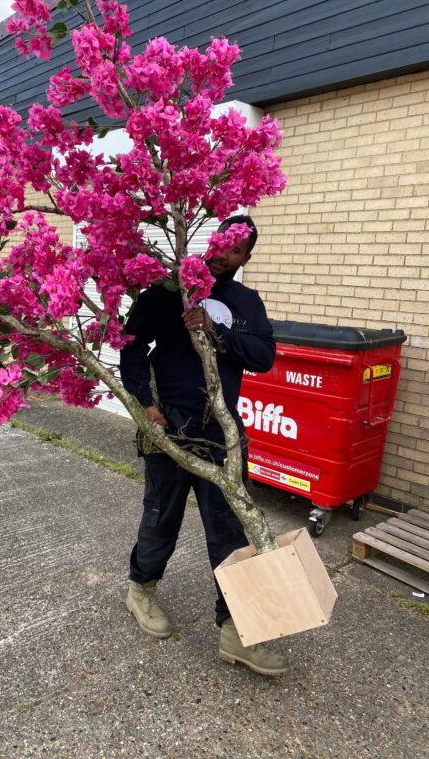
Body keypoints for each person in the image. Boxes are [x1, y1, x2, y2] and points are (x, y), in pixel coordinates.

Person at [119, 216, 289, 676]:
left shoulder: (246, 301)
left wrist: (217, 332)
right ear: (209, 239)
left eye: (237, 250)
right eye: (222, 242)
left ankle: (236, 630)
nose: (224, 253)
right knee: (162, 514)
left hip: (221, 432)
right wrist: (145, 407)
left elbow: (264, 357)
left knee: (231, 529)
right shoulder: (171, 288)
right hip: (170, 425)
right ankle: (142, 588)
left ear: (246, 258)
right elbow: (130, 346)